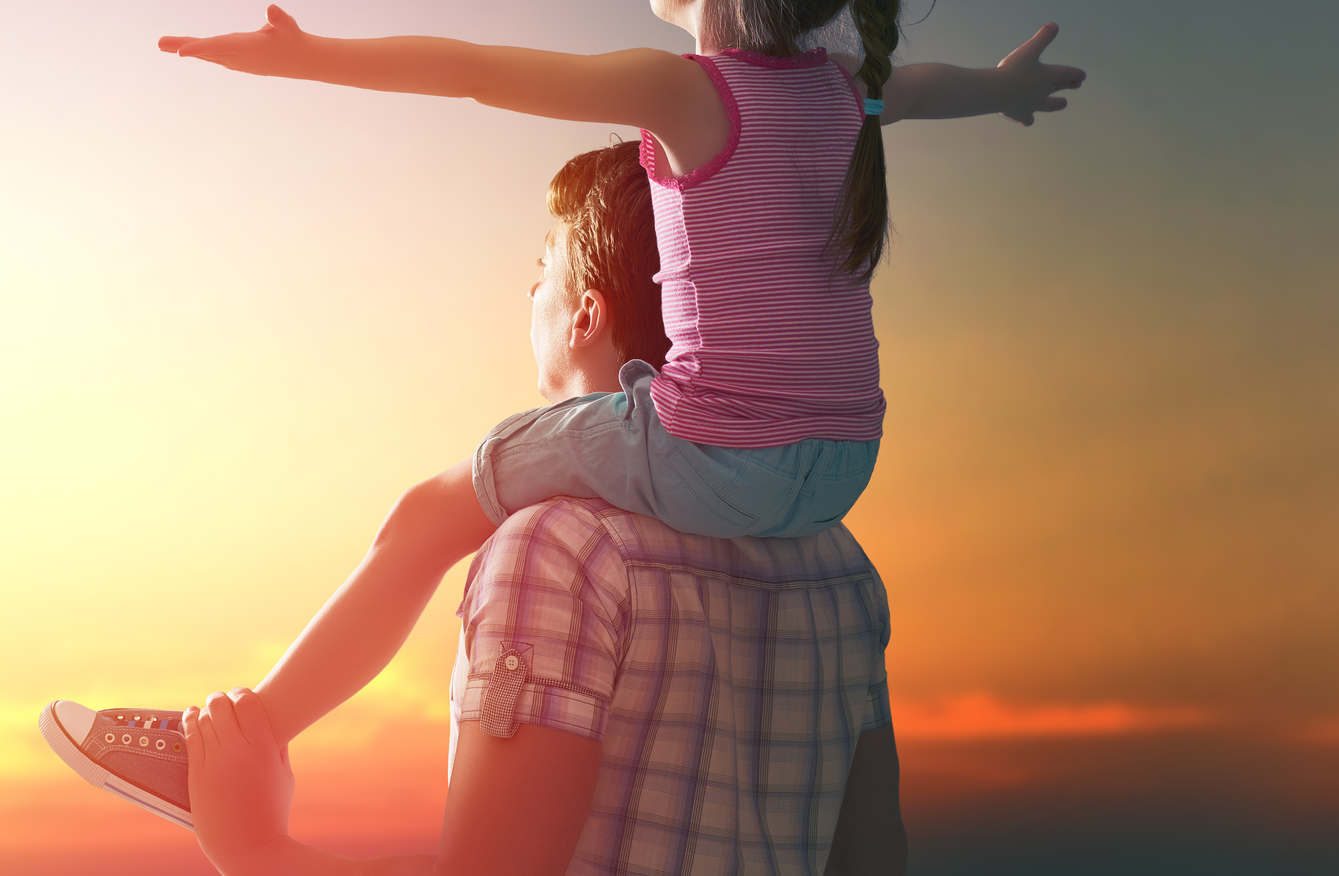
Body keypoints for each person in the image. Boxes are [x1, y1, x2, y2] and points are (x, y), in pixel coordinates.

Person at [44, 0, 1082, 821]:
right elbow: (928, 88)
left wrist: (310, 54)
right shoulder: (844, 89)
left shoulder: (683, 92)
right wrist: (1000, 88)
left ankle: (244, 736)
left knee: (425, 516)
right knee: (625, 419)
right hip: (846, 458)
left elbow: (474, 74)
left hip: (718, 454)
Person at [168, 141, 903, 874]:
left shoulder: (558, 549)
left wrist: (254, 847)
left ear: (584, 317)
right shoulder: (837, 561)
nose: (528, 295)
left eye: (541, 272)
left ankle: (246, 730)